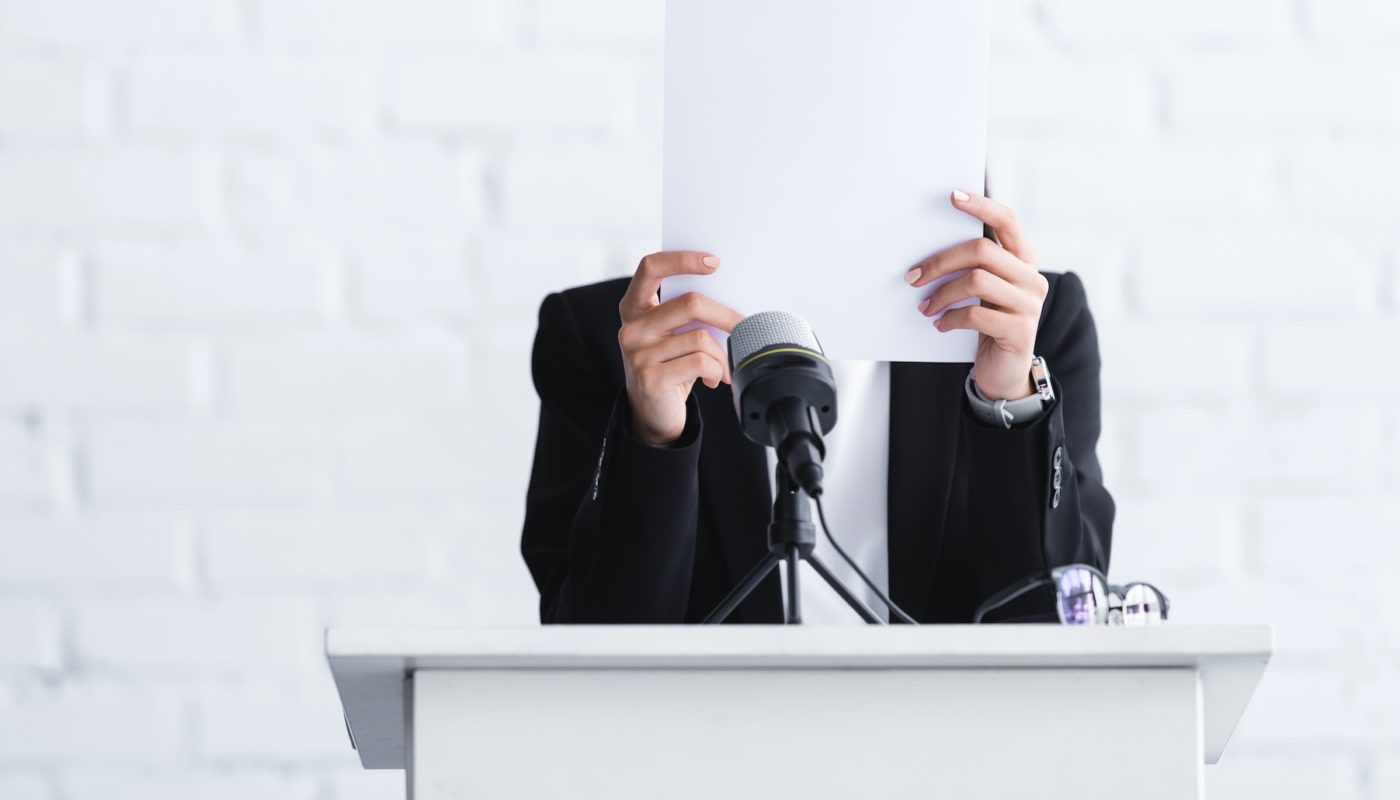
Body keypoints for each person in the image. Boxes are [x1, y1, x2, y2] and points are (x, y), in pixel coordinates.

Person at [521, 189, 1114, 624]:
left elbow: (1059, 621)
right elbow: (589, 646)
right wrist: (653, 435)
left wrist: (1006, 399)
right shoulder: (617, 339)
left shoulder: (1030, 321)